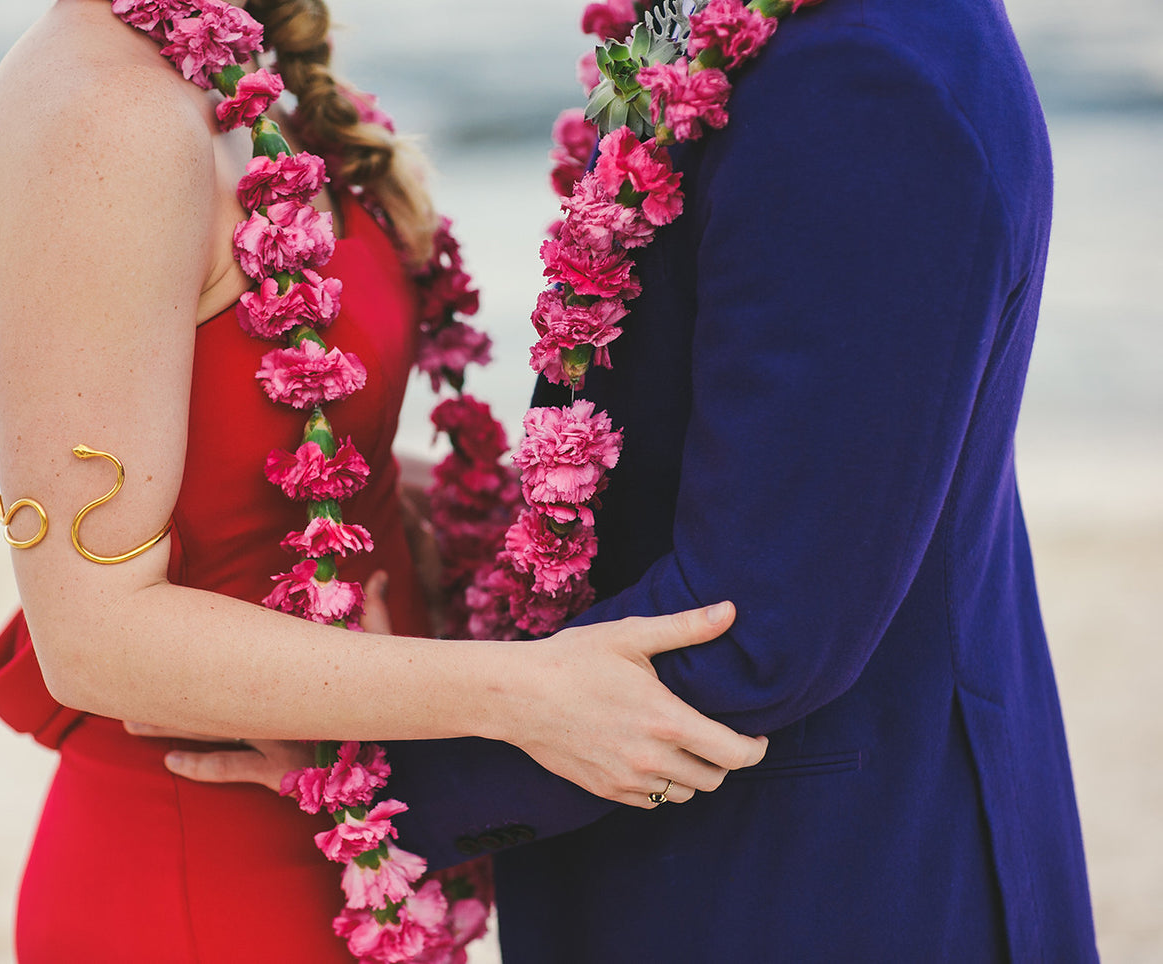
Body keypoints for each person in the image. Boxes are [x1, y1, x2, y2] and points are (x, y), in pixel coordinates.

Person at [172, 0, 1099, 960]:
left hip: (811, 878)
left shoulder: (855, 82)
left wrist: (385, 763)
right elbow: (821, 468)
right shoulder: (838, 39)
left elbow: (755, 624)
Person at [0, 0, 766, 960]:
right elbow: (91, 637)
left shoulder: (213, 58)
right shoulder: (106, 115)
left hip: (346, 821)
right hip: (207, 866)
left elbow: (246, 454)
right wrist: (523, 695)